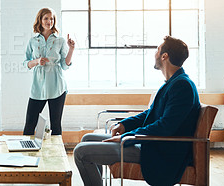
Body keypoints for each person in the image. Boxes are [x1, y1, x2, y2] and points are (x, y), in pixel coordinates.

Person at [74, 36, 201, 186]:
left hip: (160, 151)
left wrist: (126, 137)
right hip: (151, 143)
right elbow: (150, 114)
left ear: (164, 56)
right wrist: (124, 125)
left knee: (80, 152)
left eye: (158, 50)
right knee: (87, 139)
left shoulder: (182, 86)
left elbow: (165, 127)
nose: (155, 54)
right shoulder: (173, 83)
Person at [23, 7, 75, 135]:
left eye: (51, 18)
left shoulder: (60, 41)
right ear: (40, 20)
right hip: (38, 87)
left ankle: (57, 155)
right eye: (46, 18)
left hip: (57, 87)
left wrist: (71, 49)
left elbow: (64, 65)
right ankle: (24, 153)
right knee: (30, 123)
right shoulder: (33, 41)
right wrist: (36, 61)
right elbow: (26, 63)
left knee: (55, 125)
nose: (49, 21)